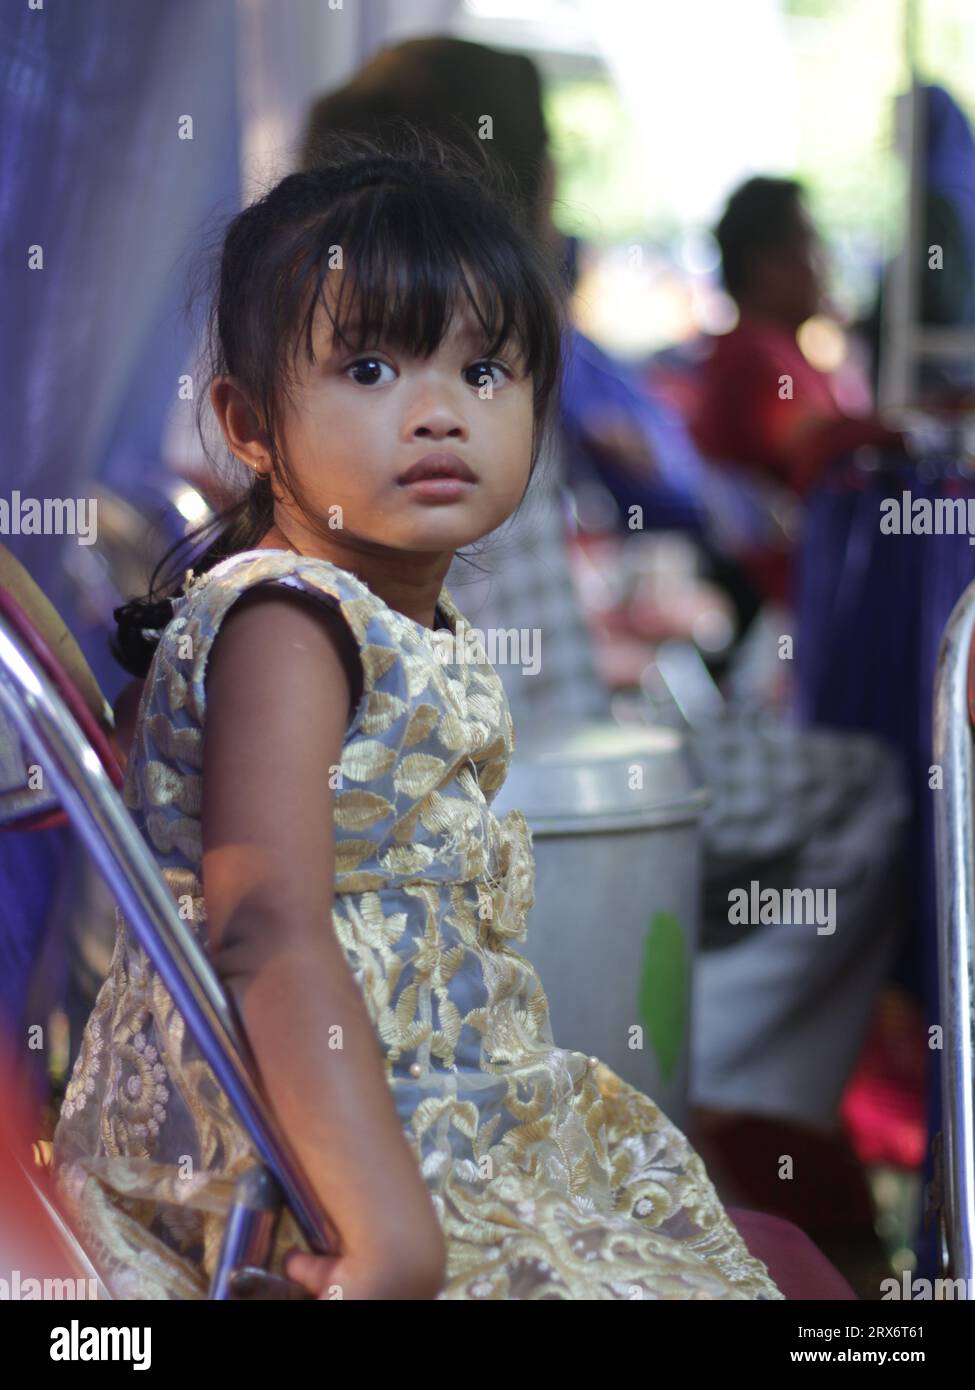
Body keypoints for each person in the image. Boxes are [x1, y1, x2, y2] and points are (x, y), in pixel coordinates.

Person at [51, 133, 789, 1300]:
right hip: (308, 1148)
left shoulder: (381, 616)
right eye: (371, 370)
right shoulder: (289, 625)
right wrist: (389, 1229)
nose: (440, 412)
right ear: (248, 425)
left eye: (483, 372)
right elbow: (267, 927)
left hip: (429, 1098)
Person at [689, 176, 904, 605]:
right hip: (784, 601)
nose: (824, 262)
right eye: (810, 243)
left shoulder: (778, 351)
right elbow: (818, 444)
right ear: (767, 265)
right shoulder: (752, 357)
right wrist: (920, 422)